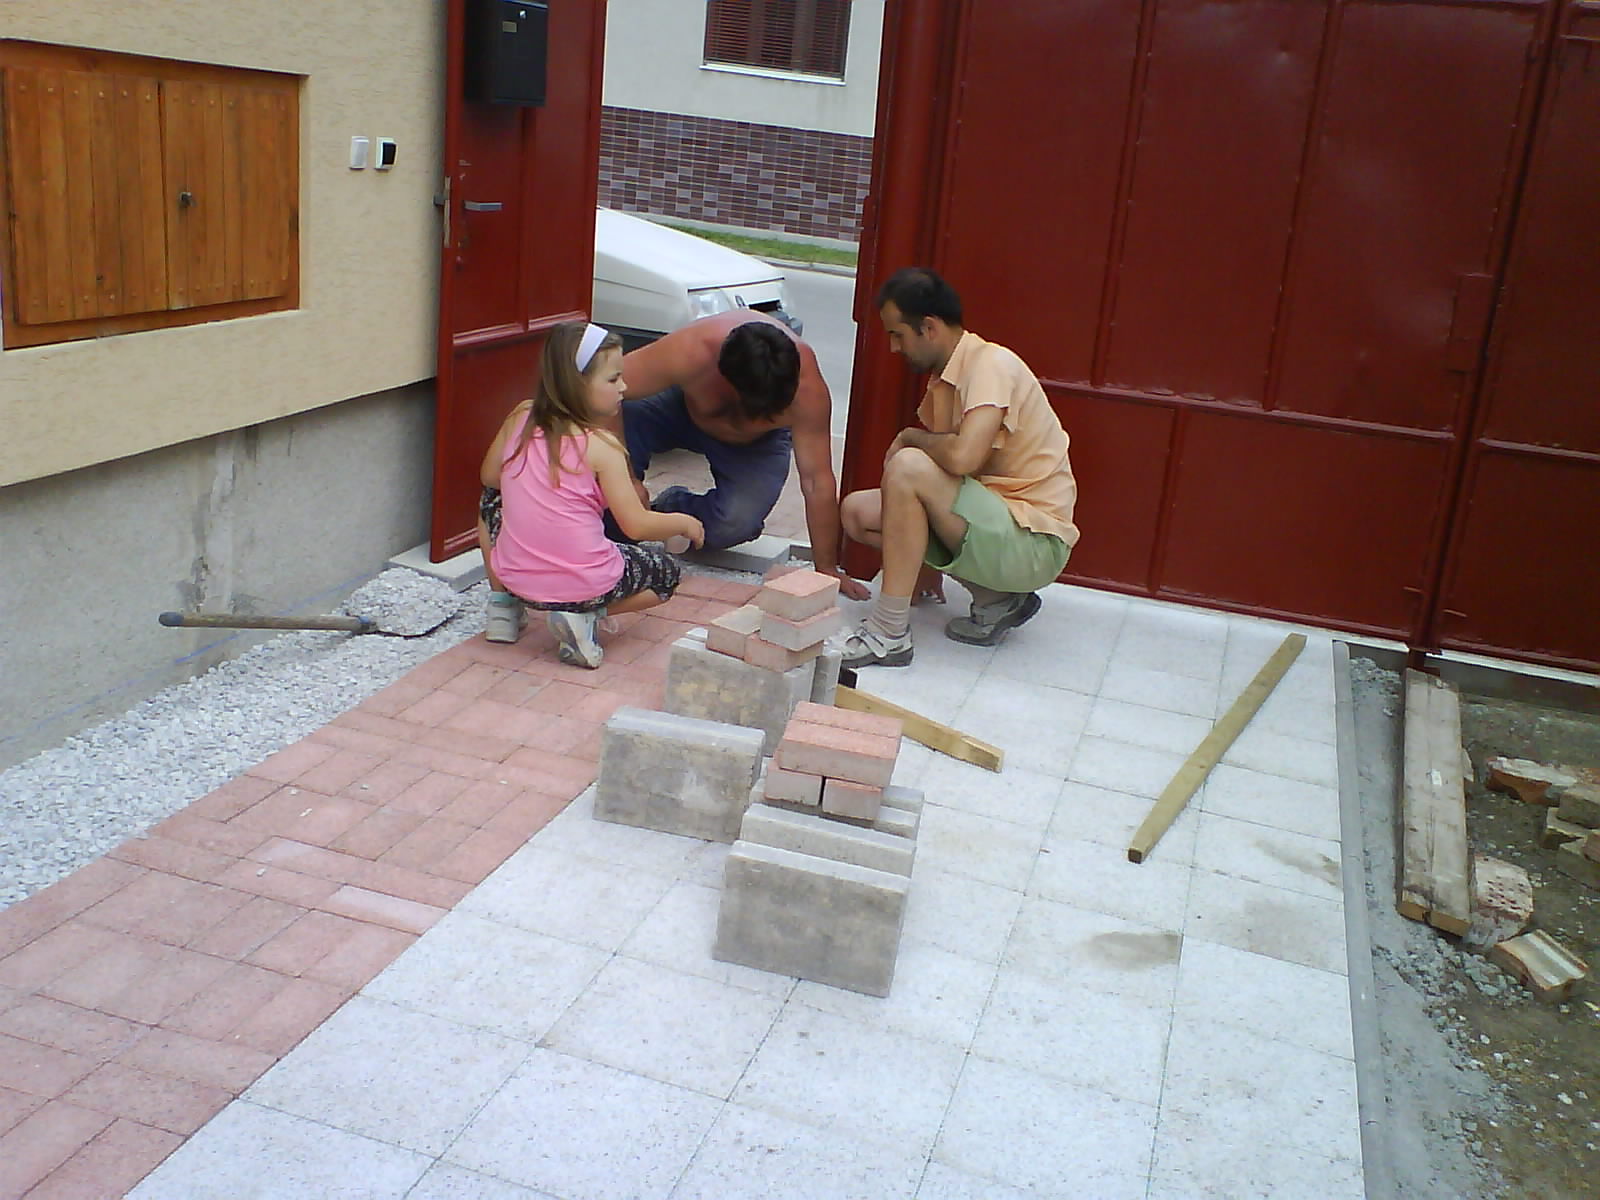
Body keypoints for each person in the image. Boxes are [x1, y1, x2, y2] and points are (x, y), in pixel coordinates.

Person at [838, 268, 1080, 668]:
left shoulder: (989, 365)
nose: (894, 348)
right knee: (857, 512)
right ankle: (996, 600)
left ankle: (888, 632)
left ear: (929, 327)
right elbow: (948, 479)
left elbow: (962, 458)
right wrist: (918, 560)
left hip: (1034, 542)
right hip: (997, 523)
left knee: (909, 465)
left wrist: (910, 437)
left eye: (898, 335)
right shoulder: (947, 379)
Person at [477, 321, 704, 668]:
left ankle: (502, 608)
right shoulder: (602, 447)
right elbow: (636, 526)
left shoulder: (521, 417)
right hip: (586, 586)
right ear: (578, 384)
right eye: (613, 379)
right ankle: (585, 616)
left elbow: (490, 477)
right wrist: (684, 523)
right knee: (666, 575)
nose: (624, 387)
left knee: (490, 500)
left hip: (517, 579)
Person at [613, 309, 872, 601]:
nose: (752, 415)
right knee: (615, 485)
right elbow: (603, 389)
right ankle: (613, 530)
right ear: (724, 376)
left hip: (752, 447)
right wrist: (625, 479)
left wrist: (826, 568)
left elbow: (817, 482)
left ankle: (667, 511)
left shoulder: (807, 392)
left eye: (767, 412)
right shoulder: (694, 350)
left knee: (735, 523)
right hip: (677, 408)